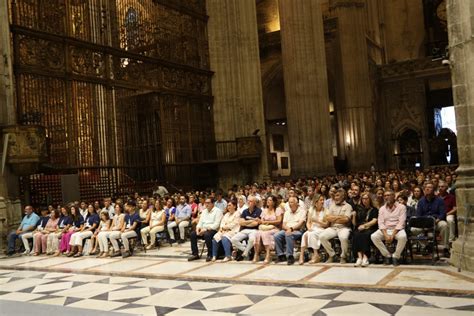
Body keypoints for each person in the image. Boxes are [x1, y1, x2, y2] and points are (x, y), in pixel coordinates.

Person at [371, 190, 407, 266]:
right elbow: (381, 223)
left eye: (388, 195)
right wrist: (386, 235)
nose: (386, 197)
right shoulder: (382, 209)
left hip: (397, 229)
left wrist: (393, 235)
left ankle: (396, 256)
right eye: (385, 196)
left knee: (403, 237)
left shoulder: (401, 207)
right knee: (374, 236)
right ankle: (387, 255)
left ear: (394, 196)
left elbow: (401, 222)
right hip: (386, 229)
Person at [416, 182, 449, 256]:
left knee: (444, 225)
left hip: (436, 221)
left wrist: (436, 220)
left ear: (434, 190)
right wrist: (424, 224)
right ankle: (426, 246)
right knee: (413, 230)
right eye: (426, 188)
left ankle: (446, 248)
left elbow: (442, 214)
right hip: (424, 222)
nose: (427, 188)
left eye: (430, 187)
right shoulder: (421, 201)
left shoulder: (439, 200)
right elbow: (418, 215)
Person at [319, 189, 352, 263]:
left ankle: (343, 256)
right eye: (334, 196)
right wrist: (340, 217)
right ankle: (332, 255)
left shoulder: (348, 206)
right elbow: (327, 217)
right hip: (333, 228)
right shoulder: (332, 206)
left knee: (343, 237)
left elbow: (346, 220)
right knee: (322, 236)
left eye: (337, 196)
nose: (335, 198)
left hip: (344, 227)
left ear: (343, 196)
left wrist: (334, 218)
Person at [274, 196, 307, 265]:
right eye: (289, 202)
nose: (289, 204)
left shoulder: (302, 211)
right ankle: (281, 255)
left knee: (288, 234)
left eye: (291, 202)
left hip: (298, 230)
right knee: (276, 235)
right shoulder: (287, 212)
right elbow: (283, 225)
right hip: (287, 229)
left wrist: (291, 229)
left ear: (297, 203)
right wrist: (288, 229)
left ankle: (290, 256)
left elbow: (301, 224)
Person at [253, 196, 283, 264]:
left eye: (270, 200)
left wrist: (268, 222)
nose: (268, 201)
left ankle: (268, 254)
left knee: (265, 234)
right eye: (267, 200)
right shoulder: (265, 210)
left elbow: (279, 221)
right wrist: (259, 220)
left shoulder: (277, 209)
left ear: (274, 202)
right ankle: (256, 254)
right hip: (265, 228)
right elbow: (262, 221)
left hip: (275, 228)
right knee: (257, 233)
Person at [231, 196, 262, 261]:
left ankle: (245, 252)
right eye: (248, 201)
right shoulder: (245, 211)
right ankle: (247, 251)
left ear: (254, 203)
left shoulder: (259, 211)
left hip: (254, 230)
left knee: (251, 239)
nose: (248, 202)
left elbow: (255, 224)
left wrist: (246, 222)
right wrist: (251, 221)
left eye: (250, 201)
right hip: (244, 230)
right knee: (233, 239)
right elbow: (241, 223)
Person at [352, 193, 379, 267]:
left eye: (366, 198)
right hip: (360, 228)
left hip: (371, 228)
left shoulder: (374, 209)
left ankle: (365, 257)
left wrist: (365, 225)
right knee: (356, 234)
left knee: (365, 235)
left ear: (370, 199)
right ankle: (359, 257)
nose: (365, 200)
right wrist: (354, 216)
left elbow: (374, 221)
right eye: (363, 199)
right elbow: (354, 224)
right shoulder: (358, 209)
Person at [299, 194, 327, 264]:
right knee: (305, 234)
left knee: (312, 234)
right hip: (313, 228)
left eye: (323, 200)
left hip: (322, 228)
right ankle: (301, 256)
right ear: (316, 202)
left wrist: (317, 221)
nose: (322, 202)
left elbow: (326, 224)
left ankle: (316, 255)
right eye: (321, 200)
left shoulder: (326, 210)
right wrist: (308, 228)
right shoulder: (311, 210)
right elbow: (308, 222)